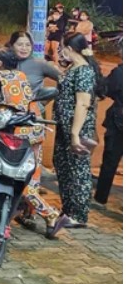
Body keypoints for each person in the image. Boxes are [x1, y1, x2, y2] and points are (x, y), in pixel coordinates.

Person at [0, 47, 68, 239]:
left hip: (17, 132)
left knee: (18, 177)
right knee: (31, 176)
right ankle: (23, 216)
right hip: (34, 126)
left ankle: (49, 214)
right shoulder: (20, 75)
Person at [53, 32, 104, 229]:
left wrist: (75, 134)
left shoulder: (84, 71)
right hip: (64, 127)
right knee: (63, 166)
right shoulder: (72, 68)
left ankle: (79, 215)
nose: (60, 51)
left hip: (77, 129)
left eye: (62, 47)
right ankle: (68, 210)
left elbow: (83, 103)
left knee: (78, 170)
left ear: (69, 48)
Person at [95, 64, 122, 206]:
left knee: (110, 161)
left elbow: (106, 89)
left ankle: (101, 198)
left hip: (119, 123)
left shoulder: (120, 72)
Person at [8, 31, 62, 102]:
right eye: (20, 44)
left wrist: (41, 104)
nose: (24, 48)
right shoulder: (4, 62)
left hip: (32, 107)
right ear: (11, 46)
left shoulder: (40, 63)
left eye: (28, 45)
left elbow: (63, 79)